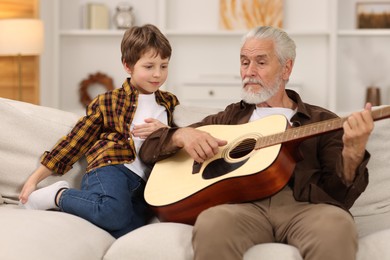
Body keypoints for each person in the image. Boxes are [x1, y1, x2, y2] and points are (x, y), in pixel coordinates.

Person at [139, 26, 374, 260]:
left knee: (337, 226)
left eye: (260, 63)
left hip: (303, 207)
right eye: (244, 62)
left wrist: (353, 153)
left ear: (286, 68)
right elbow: (148, 149)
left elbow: (339, 196)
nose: (249, 71)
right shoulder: (230, 118)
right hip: (242, 205)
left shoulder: (323, 121)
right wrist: (180, 135)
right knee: (211, 223)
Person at [19, 24, 179, 238]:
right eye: (149, 66)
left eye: (164, 66)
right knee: (111, 214)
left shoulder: (170, 103)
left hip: (145, 182)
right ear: (128, 65)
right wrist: (34, 178)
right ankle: (57, 196)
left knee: (127, 231)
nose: (157, 74)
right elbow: (75, 141)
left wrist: (166, 131)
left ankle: (90, 207)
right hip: (111, 168)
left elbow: (182, 140)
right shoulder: (107, 101)